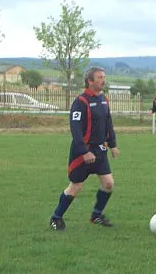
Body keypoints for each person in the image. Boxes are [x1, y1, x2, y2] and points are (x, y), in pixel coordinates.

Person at [49, 67, 120, 231]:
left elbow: (108, 123)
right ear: (90, 81)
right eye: (99, 77)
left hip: (100, 150)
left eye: (104, 76)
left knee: (108, 183)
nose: (103, 80)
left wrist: (113, 144)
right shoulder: (81, 101)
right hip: (83, 152)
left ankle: (96, 215)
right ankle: (56, 218)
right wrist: (84, 151)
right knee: (76, 186)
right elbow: (75, 129)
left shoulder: (104, 99)